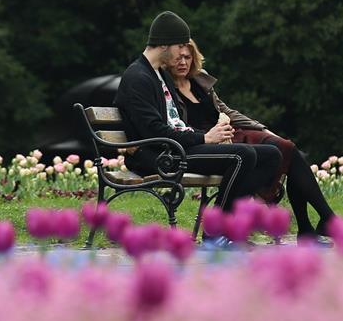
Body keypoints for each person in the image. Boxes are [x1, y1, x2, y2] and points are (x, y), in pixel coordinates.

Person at [165, 37, 337, 241]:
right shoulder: (165, 89)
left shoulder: (199, 81)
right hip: (209, 142)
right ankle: (313, 226)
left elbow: (226, 111)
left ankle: (316, 224)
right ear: (167, 59)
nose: (183, 62)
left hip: (232, 132)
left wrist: (263, 129)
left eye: (188, 57)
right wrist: (209, 135)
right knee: (289, 153)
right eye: (178, 58)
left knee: (288, 149)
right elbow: (176, 126)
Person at [114, 11, 282, 216]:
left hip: (177, 149)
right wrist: (204, 137)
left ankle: (228, 222)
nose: (184, 52)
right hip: (159, 156)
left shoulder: (159, 75)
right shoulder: (137, 77)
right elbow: (153, 131)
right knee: (242, 155)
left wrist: (212, 135)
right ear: (164, 45)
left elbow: (175, 123)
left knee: (272, 155)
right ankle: (216, 229)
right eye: (180, 46)